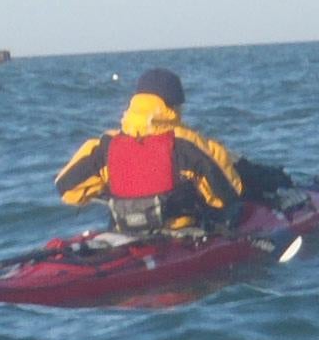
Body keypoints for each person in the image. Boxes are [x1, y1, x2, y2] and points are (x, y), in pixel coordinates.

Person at [54, 67, 292, 235]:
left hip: (124, 232)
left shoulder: (103, 146)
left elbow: (66, 188)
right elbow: (226, 197)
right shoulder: (187, 144)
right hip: (181, 233)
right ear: (174, 105)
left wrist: (113, 188)